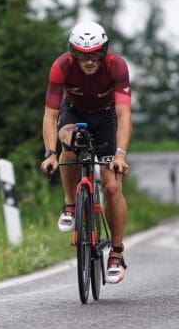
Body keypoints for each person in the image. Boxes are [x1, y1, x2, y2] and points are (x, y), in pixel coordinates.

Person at [40, 21, 132, 284]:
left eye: (95, 54)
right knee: (68, 146)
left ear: (104, 52)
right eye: (82, 54)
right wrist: (50, 153)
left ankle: (116, 252)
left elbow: (124, 114)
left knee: (113, 187)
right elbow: (50, 115)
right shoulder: (61, 67)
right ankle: (70, 204)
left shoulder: (117, 66)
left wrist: (121, 154)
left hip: (106, 118)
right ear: (73, 52)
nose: (89, 60)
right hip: (74, 112)